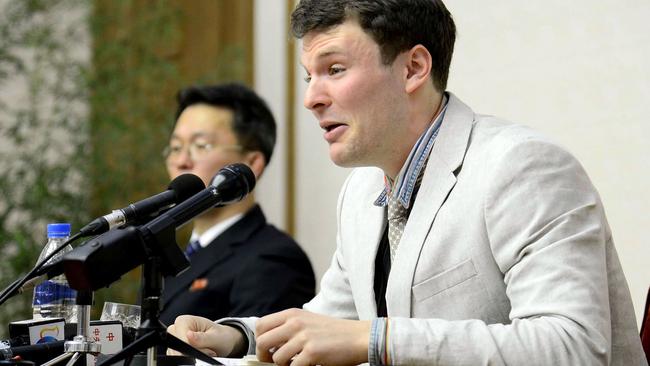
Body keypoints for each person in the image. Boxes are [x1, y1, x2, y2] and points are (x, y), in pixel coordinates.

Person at [166, 2, 647, 365]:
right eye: (308, 76)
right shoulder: (360, 191)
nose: (312, 98)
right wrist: (233, 337)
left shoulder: (522, 167)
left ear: (414, 68)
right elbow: (328, 320)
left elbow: (575, 346)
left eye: (334, 70)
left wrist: (377, 339)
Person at [159, 83, 316, 326]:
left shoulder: (274, 259)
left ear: (251, 163)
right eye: (176, 147)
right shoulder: (172, 255)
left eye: (201, 146)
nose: (181, 161)